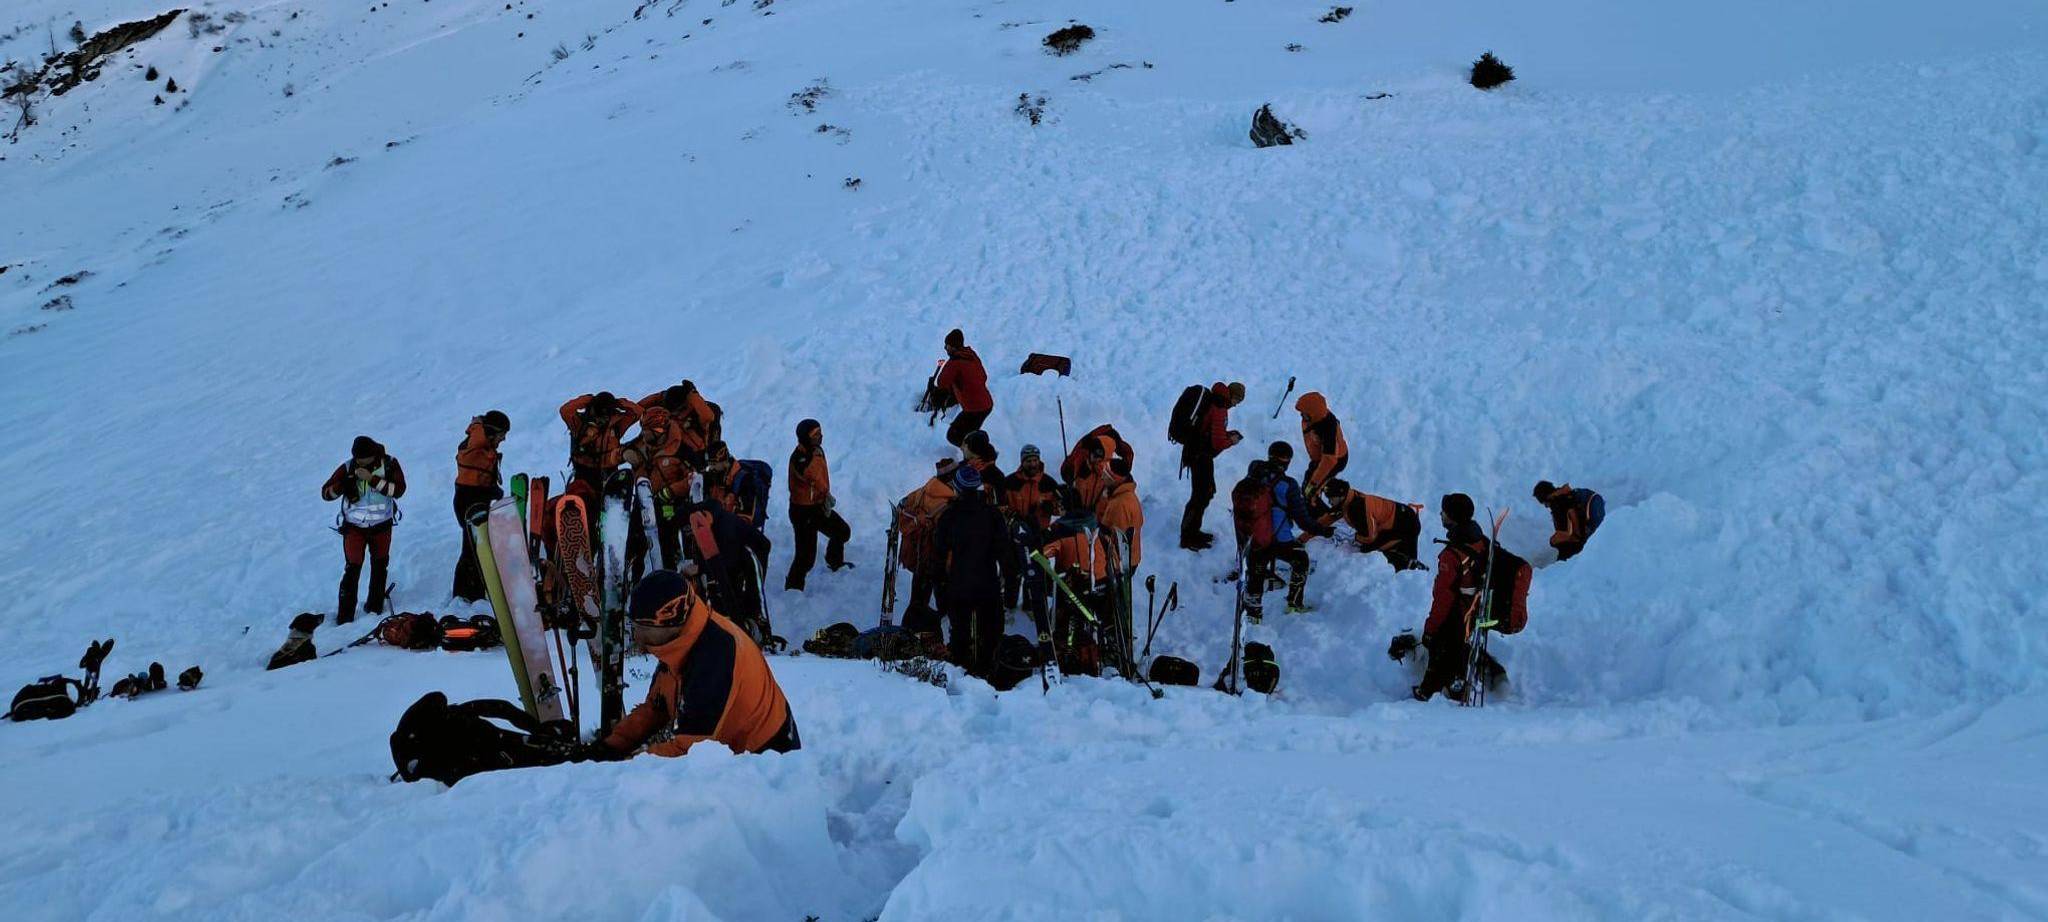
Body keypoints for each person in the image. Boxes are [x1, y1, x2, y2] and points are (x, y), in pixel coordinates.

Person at [590, 569, 799, 760]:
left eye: (643, 628)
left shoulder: (714, 656)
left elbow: (689, 751)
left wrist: (628, 764)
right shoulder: (681, 642)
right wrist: (612, 746)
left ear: (672, 622)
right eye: (633, 626)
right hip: (732, 752)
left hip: (769, 762)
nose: (636, 637)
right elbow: (656, 708)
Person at [1411, 493, 1505, 702]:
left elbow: (1443, 598)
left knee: (1438, 645)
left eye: (1444, 512)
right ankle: (1454, 684)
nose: (1440, 514)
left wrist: (1430, 628)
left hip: (1458, 612)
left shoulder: (1452, 555)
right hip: (1476, 607)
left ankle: (1432, 692)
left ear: (1451, 517)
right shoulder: (1480, 539)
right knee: (1458, 648)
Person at [932, 464, 1016, 675]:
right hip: (988, 583)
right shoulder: (992, 515)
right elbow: (1005, 554)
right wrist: (1011, 588)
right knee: (992, 635)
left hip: (959, 584)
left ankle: (961, 676)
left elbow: (939, 556)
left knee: (960, 636)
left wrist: (940, 591)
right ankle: (989, 672)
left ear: (957, 488)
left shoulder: (948, 517)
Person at [321, 436, 407, 624]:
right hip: (354, 528)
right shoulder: (348, 467)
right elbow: (325, 493)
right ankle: (345, 616)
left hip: (382, 526)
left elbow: (399, 490)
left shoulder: (389, 464)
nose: (359, 462)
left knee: (379, 566)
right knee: (352, 569)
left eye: (363, 459)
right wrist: (343, 486)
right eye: (357, 459)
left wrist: (372, 479)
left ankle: (375, 607)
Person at [683, 496, 774, 644]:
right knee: (722, 595)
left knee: (749, 597)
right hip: (731, 560)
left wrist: (701, 569)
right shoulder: (704, 527)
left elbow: (725, 563)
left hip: (750, 556)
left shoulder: (724, 527)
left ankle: (758, 630)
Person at [894, 458, 960, 633]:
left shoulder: (928, 489)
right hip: (934, 556)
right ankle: (929, 629)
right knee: (942, 594)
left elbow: (902, 503)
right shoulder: (946, 501)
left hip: (919, 555)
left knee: (918, 597)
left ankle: (910, 628)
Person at [1263, 442, 1329, 613]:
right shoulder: (1289, 485)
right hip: (1278, 541)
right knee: (1301, 560)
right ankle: (1294, 603)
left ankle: (1254, 603)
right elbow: (1303, 520)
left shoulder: (1254, 473)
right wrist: (1322, 530)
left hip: (1254, 537)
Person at [785, 418, 851, 591]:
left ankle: (834, 562)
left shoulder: (816, 451)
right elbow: (811, 475)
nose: (821, 437)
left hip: (817, 506)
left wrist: (825, 497)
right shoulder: (801, 459)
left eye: (820, 433)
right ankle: (793, 587)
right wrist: (825, 493)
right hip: (803, 512)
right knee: (805, 557)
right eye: (816, 434)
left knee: (842, 532)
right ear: (806, 438)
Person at [622, 407, 692, 568]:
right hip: (644, 501)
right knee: (634, 540)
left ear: (658, 430)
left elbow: (694, 478)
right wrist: (626, 453)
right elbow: (621, 451)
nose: (643, 434)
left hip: (670, 503)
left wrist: (671, 491)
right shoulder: (644, 443)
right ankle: (632, 575)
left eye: (646, 430)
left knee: (667, 539)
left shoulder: (681, 450)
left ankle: (671, 573)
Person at [1179, 382, 1245, 550]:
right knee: (1201, 494)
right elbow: (1217, 442)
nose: (1236, 405)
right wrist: (1231, 440)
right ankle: (1188, 536)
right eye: (1238, 401)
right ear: (1234, 397)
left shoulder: (1215, 401)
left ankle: (1193, 531)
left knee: (1205, 492)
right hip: (1200, 455)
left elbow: (1213, 433)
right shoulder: (1220, 407)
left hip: (1196, 452)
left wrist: (1227, 435)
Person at [452, 410, 509, 602]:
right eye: (502, 435)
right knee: (473, 548)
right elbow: (477, 437)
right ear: (491, 433)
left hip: (476, 498)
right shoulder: (475, 443)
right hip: (468, 501)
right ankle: (466, 594)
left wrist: (492, 490)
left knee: (476, 546)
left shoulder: (481, 444)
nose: (504, 440)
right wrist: (480, 426)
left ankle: (472, 591)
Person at [1317, 479, 1427, 572]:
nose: (1329, 501)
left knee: (1369, 549)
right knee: (1379, 546)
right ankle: (1411, 568)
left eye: (1331, 498)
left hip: (1407, 525)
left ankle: (1411, 569)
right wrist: (1306, 535)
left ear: (1340, 495)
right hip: (1404, 517)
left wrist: (1354, 537)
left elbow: (1370, 537)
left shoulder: (1356, 508)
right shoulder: (1351, 498)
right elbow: (1325, 520)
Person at [559, 392, 640, 490]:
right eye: (597, 415)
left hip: (609, 473)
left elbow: (638, 412)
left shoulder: (616, 425)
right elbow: (565, 410)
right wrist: (588, 400)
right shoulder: (580, 424)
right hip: (584, 474)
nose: (599, 420)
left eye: (604, 417)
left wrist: (618, 403)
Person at [639, 381, 722, 467]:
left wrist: (693, 394)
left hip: (698, 454)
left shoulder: (697, 411)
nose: (674, 413)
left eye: (677, 411)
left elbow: (708, 416)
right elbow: (655, 399)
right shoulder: (668, 401)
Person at [934, 329, 993, 446]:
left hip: (975, 409)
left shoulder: (954, 362)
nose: (945, 348)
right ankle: (977, 456)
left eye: (947, 345)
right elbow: (983, 376)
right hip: (986, 404)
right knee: (968, 435)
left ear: (954, 347)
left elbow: (941, 382)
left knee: (954, 436)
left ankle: (976, 459)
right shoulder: (971, 354)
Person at [1293, 391, 1349, 498]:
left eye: (1304, 414)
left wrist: (1314, 483)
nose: (1301, 415)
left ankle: (1314, 505)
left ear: (1313, 414)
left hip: (1335, 461)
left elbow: (1329, 460)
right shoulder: (1317, 417)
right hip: (1320, 459)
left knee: (1312, 490)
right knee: (1309, 480)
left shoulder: (1328, 430)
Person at [1534, 480, 1605, 561]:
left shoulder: (1559, 503)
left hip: (1577, 545)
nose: (1546, 506)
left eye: (1543, 503)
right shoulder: (1568, 495)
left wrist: (1553, 540)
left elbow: (1571, 534)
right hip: (1587, 535)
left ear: (1546, 497)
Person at [1096, 457, 1144, 571]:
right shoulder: (1123, 494)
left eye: (1106, 476)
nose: (1102, 477)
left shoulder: (1120, 505)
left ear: (1114, 480)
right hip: (1128, 559)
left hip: (1122, 564)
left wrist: (1115, 568)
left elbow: (1119, 542)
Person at [1002, 444, 1059, 532]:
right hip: (1016, 532)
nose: (1033, 464)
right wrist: (1012, 515)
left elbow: (1060, 509)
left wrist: (1051, 507)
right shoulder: (1010, 482)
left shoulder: (1049, 483)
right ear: (1022, 462)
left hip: (1041, 532)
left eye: (1035, 460)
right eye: (1029, 461)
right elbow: (1000, 506)